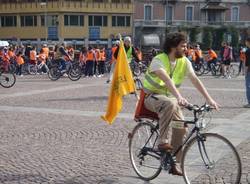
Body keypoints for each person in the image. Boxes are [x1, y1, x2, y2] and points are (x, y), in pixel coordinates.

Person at [142, 32, 219, 176]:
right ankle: (162, 141)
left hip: (170, 100)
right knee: (171, 103)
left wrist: (209, 99)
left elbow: (195, 79)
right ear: (173, 46)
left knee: (181, 128)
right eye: (183, 46)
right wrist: (179, 97)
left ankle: (174, 163)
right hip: (152, 98)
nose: (186, 49)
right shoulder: (159, 59)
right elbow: (166, 79)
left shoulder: (184, 61)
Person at [244, 38, 250, 108]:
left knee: (248, 86)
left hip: (249, 70)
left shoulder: (248, 51)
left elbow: (247, 63)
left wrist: (245, 71)